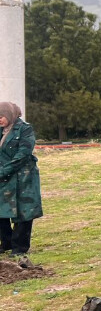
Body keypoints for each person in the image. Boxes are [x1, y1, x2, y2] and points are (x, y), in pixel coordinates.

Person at [0, 102, 41, 264]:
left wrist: (4, 170)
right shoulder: (1, 130)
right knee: (2, 211)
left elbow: (23, 153)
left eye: (1, 116)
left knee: (23, 211)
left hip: (23, 177)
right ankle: (6, 242)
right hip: (4, 177)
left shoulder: (24, 129)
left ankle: (19, 247)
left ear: (9, 115)